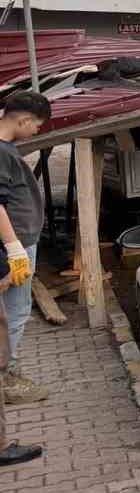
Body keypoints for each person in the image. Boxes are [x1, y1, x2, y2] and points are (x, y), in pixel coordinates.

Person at [1, 90, 52, 424]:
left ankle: (8, 369)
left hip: (16, 242)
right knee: (15, 312)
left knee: (13, 311)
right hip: (13, 245)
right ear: (23, 120)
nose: (36, 131)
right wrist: (15, 248)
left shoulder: (6, 148)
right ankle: (6, 376)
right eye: (36, 125)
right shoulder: (0, 152)